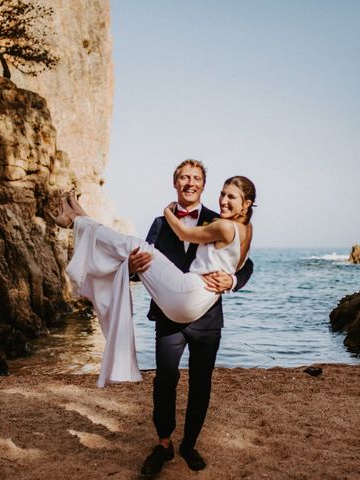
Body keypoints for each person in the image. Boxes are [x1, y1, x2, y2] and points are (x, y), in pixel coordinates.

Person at [129, 161, 254, 475]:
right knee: (165, 380)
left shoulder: (220, 218)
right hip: (168, 317)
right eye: (184, 177)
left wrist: (233, 281)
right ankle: (163, 443)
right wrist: (132, 267)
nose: (190, 183)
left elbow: (246, 262)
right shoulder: (159, 224)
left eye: (196, 178)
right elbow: (144, 269)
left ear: (203, 185)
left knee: (201, 382)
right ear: (175, 183)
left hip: (208, 318)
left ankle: (189, 445)